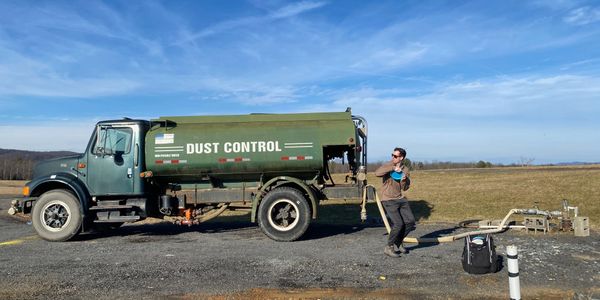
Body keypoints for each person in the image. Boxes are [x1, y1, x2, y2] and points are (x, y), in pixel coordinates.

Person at [375, 147, 416, 258]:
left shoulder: (405, 169)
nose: (393, 157)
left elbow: (405, 187)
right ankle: (389, 247)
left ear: (401, 158)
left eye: (395, 156)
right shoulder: (388, 165)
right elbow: (377, 173)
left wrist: (404, 180)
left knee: (410, 221)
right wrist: (393, 168)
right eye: (392, 155)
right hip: (388, 199)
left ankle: (398, 241)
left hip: (400, 198)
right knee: (398, 224)